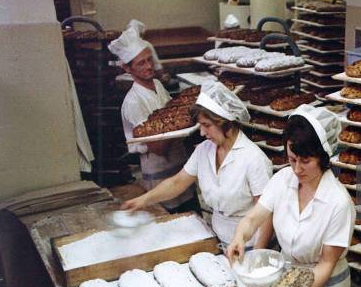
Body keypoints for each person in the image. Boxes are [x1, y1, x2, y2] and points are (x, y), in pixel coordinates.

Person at [227, 105, 355, 287]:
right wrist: (240, 236)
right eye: (292, 159)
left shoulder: (338, 202)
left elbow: (326, 264)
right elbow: (254, 217)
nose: (296, 169)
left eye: (305, 161)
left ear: (323, 157)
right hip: (284, 285)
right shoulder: (282, 180)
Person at [122, 81, 274, 249]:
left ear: (225, 122)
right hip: (219, 238)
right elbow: (177, 182)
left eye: (206, 125)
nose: (202, 132)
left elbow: (266, 215)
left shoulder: (253, 159)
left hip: (249, 244)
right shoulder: (204, 150)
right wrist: (143, 200)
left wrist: (258, 256)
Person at [109, 27, 195, 213]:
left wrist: (176, 120)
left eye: (149, 60)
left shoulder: (156, 84)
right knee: (172, 217)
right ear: (126, 68)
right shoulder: (133, 102)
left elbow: (172, 117)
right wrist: (181, 123)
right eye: (141, 63)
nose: (149, 66)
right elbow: (157, 148)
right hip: (159, 173)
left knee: (192, 212)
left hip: (181, 168)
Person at [124, 19, 171, 83]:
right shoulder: (146, 44)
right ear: (142, 34)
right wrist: (162, 76)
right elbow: (158, 68)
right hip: (141, 80)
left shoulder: (123, 45)